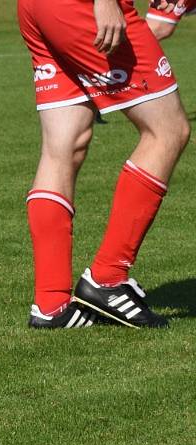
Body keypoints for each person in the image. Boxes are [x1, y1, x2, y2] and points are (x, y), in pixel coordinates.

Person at [18, 0, 191, 329]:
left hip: (37, 8)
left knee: (64, 146)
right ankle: (107, 278)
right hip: (83, 7)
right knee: (168, 130)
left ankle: (50, 303)